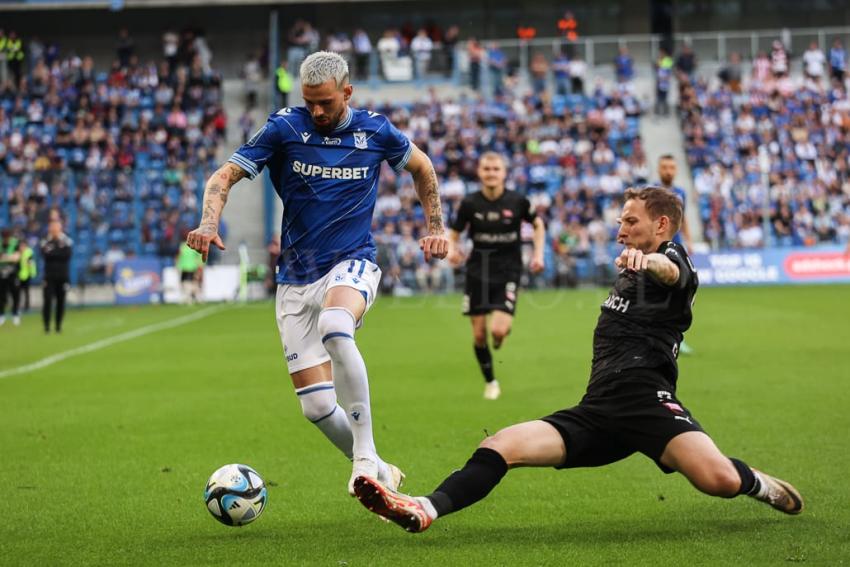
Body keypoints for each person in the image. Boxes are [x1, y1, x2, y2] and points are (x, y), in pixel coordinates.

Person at [352, 187, 804, 532]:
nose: (620, 229)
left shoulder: (672, 260)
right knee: (501, 446)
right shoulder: (631, 266)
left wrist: (650, 264)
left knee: (718, 480)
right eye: (620, 221)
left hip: (648, 403)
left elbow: (674, 273)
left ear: (662, 225)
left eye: (630, 221)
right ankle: (423, 508)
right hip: (599, 408)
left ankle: (756, 482)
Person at [186, 51, 449, 496]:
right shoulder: (285, 128)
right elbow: (223, 177)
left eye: (326, 102)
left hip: (352, 261)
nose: (318, 111)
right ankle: (380, 471)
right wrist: (209, 223)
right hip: (295, 278)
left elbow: (422, 167)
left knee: (335, 324)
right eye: (310, 103)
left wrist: (436, 228)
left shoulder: (376, 130)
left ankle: (364, 456)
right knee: (317, 407)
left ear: (347, 91)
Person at [447, 153, 545, 400]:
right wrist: (452, 250)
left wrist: (538, 254)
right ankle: (491, 381)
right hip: (477, 272)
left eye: (496, 169)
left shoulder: (518, 201)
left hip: (508, 271)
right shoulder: (469, 204)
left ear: (504, 173)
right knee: (479, 335)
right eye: (486, 168)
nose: (491, 173)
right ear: (480, 172)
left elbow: (538, 224)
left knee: (498, 332)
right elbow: (455, 233)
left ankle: (499, 338)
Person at [655, 154, 695, 355]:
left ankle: (677, 337)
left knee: (679, 294)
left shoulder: (680, 193)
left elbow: (683, 218)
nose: (668, 171)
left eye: (671, 167)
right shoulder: (651, 192)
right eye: (664, 167)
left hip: (675, 248)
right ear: (658, 169)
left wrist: (688, 240)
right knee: (656, 292)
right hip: (656, 248)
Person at [40, 218, 73, 334]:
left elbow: (67, 255)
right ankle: (47, 327)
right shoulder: (45, 240)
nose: (54, 229)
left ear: (60, 228)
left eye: (56, 226)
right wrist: (58, 252)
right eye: (52, 227)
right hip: (49, 276)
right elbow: (45, 254)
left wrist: (53, 252)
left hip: (62, 276)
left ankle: (58, 326)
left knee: (61, 301)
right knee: (47, 301)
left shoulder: (67, 240)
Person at [0, 228, 21, 326]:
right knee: (2, 295)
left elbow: (16, 258)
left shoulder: (15, 243)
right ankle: (1, 315)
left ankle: (15, 314)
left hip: (13, 274)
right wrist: (10, 257)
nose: (6, 240)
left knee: (15, 294)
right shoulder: (0, 243)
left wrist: (4, 257)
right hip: (2, 274)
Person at [176, 238, 204, 305]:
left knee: (190, 283)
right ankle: (193, 298)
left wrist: (200, 266)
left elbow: (198, 257)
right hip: (186, 267)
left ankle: (191, 298)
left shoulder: (191, 246)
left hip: (190, 267)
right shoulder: (184, 246)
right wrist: (177, 266)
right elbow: (179, 256)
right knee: (187, 283)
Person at [17, 238, 36, 312]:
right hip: (19, 275)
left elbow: (31, 263)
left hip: (26, 275)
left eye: (23, 245)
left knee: (26, 291)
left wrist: (32, 272)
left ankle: (27, 306)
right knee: (18, 292)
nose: (22, 247)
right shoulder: (18, 252)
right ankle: (17, 306)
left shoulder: (29, 252)